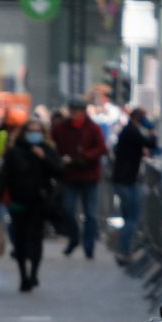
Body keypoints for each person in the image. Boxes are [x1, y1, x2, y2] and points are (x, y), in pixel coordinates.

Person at [0, 118, 61, 292]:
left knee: (36, 240)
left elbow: (59, 171)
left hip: (39, 203)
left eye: (37, 131)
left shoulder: (47, 150)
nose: (34, 134)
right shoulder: (14, 152)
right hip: (18, 203)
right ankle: (23, 275)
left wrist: (44, 157)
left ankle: (33, 274)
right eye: (31, 131)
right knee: (20, 241)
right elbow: (4, 178)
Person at [50, 99, 108, 259]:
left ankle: (89, 246)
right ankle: (74, 237)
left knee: (91, 214)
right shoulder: (61, 128)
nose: (74, 113)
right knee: (68, 209)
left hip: (89, 176)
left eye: (77, 110)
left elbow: (102, 148)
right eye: (72, 110)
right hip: (69, 176)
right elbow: (51, 144)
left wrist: (86, 156)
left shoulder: (93, 128)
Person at [111, 108, 159, 266]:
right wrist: (151, 130)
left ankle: (124, 249)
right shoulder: (131, 131)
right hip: (126, 181)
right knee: (132, 218)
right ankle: (124, 251)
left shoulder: (129, 131)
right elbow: (150, 143)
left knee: (129, 218)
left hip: (125, 180)